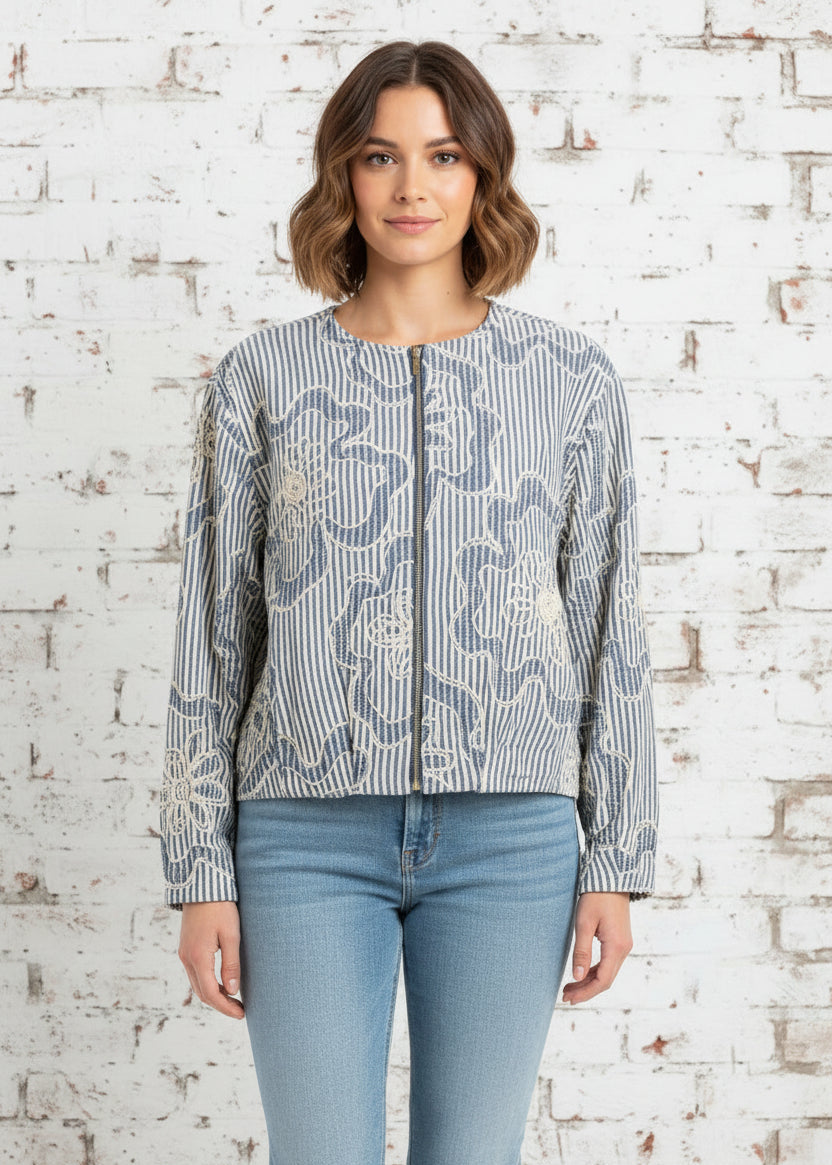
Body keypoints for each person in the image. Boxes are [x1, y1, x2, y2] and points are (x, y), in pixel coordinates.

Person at [161, 38, 659, 1165]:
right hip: (302, 836)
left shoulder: (569, 380)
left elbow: (607, 623)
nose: (411, 186)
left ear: (483, 174)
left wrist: (616, 859)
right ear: (343, 173)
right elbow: (212, 637)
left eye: (442, 156)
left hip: (511, 837)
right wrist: (200, 870)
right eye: (380, 156)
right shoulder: (263, 379)